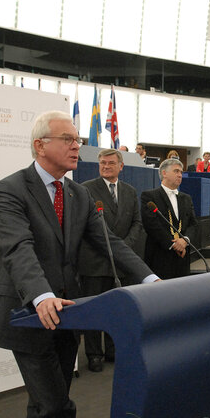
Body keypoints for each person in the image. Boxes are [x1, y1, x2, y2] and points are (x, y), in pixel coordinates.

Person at [0, 111, 157, 418]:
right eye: (69, 139)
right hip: (28, 315)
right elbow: (18, 249)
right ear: (40, 146)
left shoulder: (78, 194)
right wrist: (40, 294)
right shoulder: (10, 189)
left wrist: (148, 279)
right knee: (56, 408)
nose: (78, 146)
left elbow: (110, 243)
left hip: (67, 316)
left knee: (43, 408)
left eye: (77, 140)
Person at [77, 148, 144, 373]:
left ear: (121, 166)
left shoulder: (130, 191)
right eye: (102, 163)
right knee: (95, 310)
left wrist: (123, 246)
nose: (106, 166)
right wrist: (114, 248)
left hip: (122, 263)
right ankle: (94, 354)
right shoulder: (86, 189)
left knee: (118, 310)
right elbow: (87, 228)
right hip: (95, 262)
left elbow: (137, 223)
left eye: (110, 163)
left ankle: (114, 351)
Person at [141, 158, 199, 279]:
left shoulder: (186, 198)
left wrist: (185, 240)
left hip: (183, 255)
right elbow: (151, 225)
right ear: (164, 173)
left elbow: (193, 224)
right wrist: (173, 245)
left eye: (181, 172)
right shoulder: (150, 196)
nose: (180, 175)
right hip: (160, 255)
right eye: (176, 171)